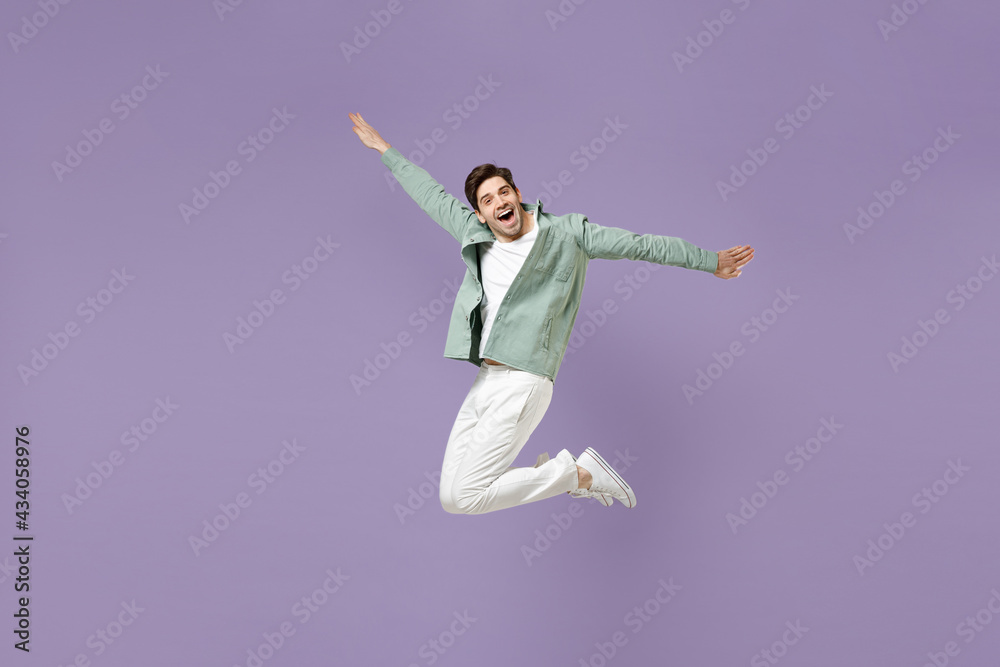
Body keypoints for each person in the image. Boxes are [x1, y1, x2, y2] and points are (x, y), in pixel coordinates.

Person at [349, 112, 754, 515]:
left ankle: (577, 475)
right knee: (453, 498)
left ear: (517, 193)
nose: (498, 203)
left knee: (468, 495)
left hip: (525, 378)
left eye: (503, 192)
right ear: (479, 214)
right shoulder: (476, 235)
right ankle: (573, 475)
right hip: (486, 377)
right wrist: (386, 150)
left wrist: (709, 260)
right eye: (487, 201)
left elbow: (640, 245)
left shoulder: (567, 234)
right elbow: (430, 195)